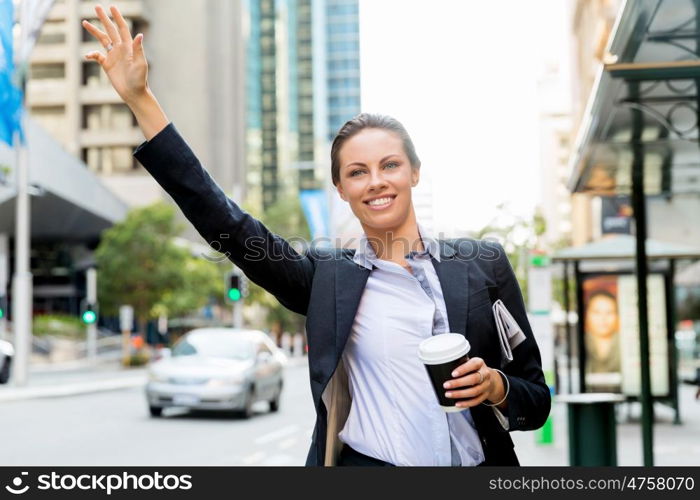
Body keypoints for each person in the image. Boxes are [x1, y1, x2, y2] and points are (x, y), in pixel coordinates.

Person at [82, 4, 550, 466]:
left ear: (415, 173)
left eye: (390, 165)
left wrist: (497, 387)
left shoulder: (483, 262)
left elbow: (536, 400)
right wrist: (141, 99)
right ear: (342, 189)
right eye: (357, 172)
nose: (376, 181)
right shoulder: (327, 279)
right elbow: (224, 221)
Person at [584, 290, 621, 392]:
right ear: (587, 314)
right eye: (597, 312)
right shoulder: (581, 344)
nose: (603, 318)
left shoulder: (625, 343)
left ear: (617, 315)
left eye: (609, 312)